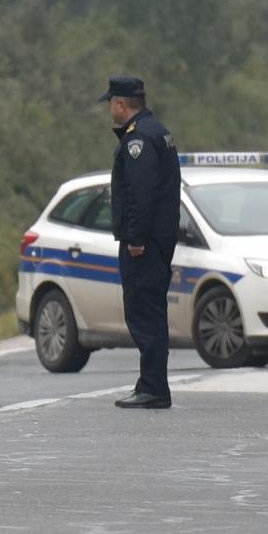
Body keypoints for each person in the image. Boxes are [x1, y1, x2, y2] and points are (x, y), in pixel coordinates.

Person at [100, 75, 182, 410]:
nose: (110, 110)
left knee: (143, 311)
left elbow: (141, 194)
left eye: (111, 104)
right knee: (151, 310)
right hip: (159, 238)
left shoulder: (139, 140)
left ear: (121, 104)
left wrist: (135, 237)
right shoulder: (157, 131)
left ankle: (153, 387)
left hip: (145, 243)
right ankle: (150, 382)